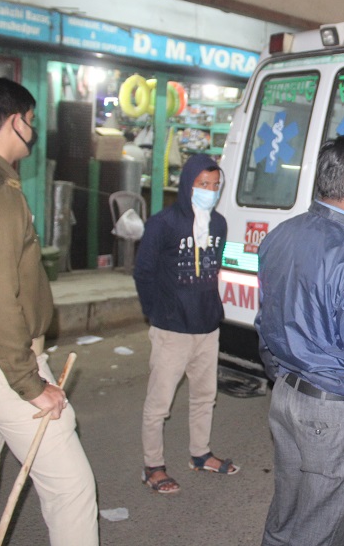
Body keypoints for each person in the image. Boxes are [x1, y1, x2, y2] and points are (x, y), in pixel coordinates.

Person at [0, 77, 99, 545]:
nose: (33, 130)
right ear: (15, 121)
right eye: (31, 120)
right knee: (71, 491)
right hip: (0, 366)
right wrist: (29, 383)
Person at [256, 135, 344, 546]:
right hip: (331, 413)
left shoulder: (281, 235)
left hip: (285, 396)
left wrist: (284, 377)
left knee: (286, 514)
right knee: (322, 528)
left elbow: (265, 321)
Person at [134, 153, 236, 494]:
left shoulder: (218, 224)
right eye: (203, 184)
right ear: (188, 185)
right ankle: (153, 466)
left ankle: (200, 454)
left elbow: (213, 269)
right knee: (159, 404)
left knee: (205, 397)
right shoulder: (163, 223)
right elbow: (143, 272)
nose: (210, 191)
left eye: (215, 185)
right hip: (172, 329)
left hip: (207, 326)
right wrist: (157, 313)